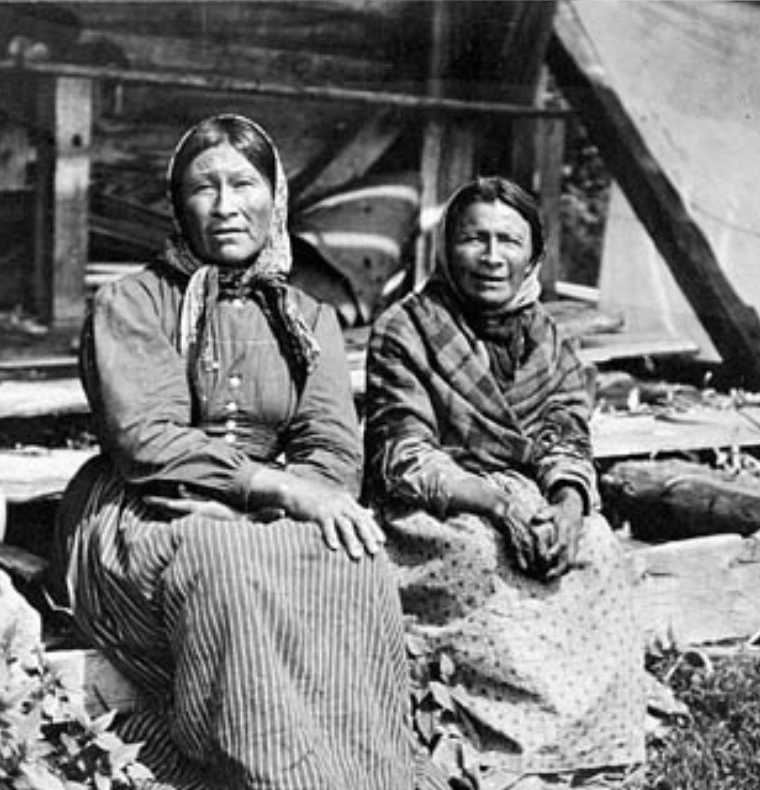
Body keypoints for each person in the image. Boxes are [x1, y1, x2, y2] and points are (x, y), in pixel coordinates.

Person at [47, 114, 438, 790]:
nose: (226, 206)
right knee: (222, 557)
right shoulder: (132, 302)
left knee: (354, 554)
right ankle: (257, 771)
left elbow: (332, 449)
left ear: (275, 198)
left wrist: (296, 496)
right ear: (179, 204)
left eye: (244, 184)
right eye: (204, 188)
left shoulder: (310, 318)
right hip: (140, 514)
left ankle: (372, 773)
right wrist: (275, 491)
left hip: (263, 511)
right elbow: (149, 444)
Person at [363, 177, 647, 781]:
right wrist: (496, 505)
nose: (492, 256)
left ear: (534, 257)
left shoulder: (551, 339)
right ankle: (501, 753)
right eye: (475, 238)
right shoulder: (406, 329)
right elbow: (403, 451)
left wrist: (568, 509)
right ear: (448, 249)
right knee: (478, 551)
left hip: (530, 492)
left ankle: (595, 748)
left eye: (509, 241)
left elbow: (565, 437)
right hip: (438, 499)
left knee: (595, 547)